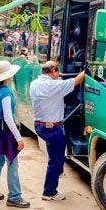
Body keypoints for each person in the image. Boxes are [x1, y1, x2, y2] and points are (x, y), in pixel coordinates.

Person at [29, 61, 85, 201]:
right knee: (55, 160)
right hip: (52, 128)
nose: (59, 74)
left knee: (54, 155)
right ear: (53, 72)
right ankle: (49, 192)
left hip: (40, 125)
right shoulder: (54, 86)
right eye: (58, 71)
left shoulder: (34, 83)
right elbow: (78, 80)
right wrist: (88, 68)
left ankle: (57, 171)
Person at [0, 61, 30, 208]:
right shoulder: (6, 93)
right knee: (12, 164)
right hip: (7, 134)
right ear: (7, 76)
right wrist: (19, 138)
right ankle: (15, 197)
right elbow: (9, 118)